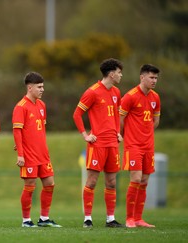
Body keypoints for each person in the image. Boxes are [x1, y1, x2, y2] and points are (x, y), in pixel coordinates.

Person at [73, 58, 124, 228]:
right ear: (111, 74)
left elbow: (116, 114)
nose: (120, 75)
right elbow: (77, 114)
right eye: (118, 72)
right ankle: (88, 218)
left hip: (112, 145)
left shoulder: (116, 92)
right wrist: (85, 135)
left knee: (111, 182)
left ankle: (110, 219)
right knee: (92, 181)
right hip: (97, 144)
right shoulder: (92, 92)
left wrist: (118, 132)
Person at [12, 72, 62, 228]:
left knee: (50, 183)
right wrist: (20, 154)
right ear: (30, 87)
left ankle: (44, 218)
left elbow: (38, 130)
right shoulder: (20, 107)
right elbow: (17, 131)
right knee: (30, 185)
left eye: (43, 86)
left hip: (43, 154)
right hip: (29, 155)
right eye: (39, 87)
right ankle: (26, 220)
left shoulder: (42, 105)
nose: (42, 90)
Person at [120, 64, 161, 228]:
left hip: (148, 146)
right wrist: (125, 134)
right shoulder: (130, 96)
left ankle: (138, 218)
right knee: (136, 178)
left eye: (156, 78)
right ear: (142, 77)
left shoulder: (156, 97)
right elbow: (120, 119)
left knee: (144, 180)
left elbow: (155, 120)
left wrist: (146, 132)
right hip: (133, 145)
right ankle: (129, 218)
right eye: (151, 77)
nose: (154, 81)